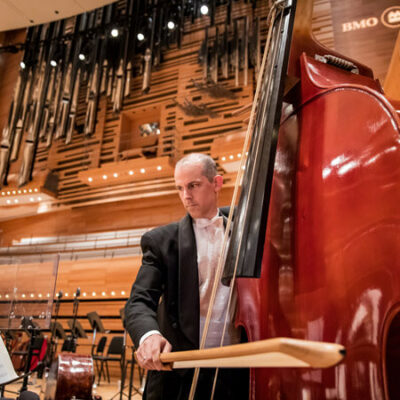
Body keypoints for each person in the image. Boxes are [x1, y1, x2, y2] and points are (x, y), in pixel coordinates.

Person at [125, 153, 248, 400]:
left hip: (236, 369)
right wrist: (150, 335)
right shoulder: (161, 241)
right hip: (179, 373)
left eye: (193, 185)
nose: (186, 196)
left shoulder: (246, 228)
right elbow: (138, 302)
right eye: (180, 188)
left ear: (217, 183)